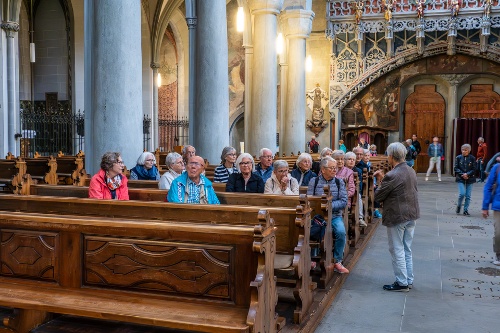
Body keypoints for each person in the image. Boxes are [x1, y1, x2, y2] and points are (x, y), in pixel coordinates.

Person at [374, 142, 419, 292]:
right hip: (411, 214)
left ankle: (401, 282)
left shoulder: (393, 174)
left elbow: (378, 196)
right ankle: (408, 279)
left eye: (388, 155)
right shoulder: (410, 170)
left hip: (397, 215)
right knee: (406, 248)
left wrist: (379, 182)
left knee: (397, 249)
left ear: (391, 156)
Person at [307, 157, 349, 274]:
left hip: (334, 216)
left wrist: (329, 206)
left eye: (335, 168)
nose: (335, 170)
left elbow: (343, 201)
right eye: (331, 168)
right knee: (311, 231)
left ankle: (337, 260)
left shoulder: (339, 182)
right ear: (323, 169)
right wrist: (320, 207)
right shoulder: (314, 181)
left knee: (341, 232)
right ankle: (312, 258)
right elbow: (309, 199)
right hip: (318, 217)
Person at [482, 161, 500, 266]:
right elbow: (488, 186)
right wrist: (485, 207)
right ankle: (498, 253)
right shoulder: (497, 168)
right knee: (498, 233)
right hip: (498, 205)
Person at [345, 150, 367, 227]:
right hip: (345, 192)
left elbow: (359, 187)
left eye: (353, 160)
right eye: (349, 159)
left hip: (354, 191)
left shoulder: (358, 171)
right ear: (345, 160)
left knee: (358, 196)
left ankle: (360, 218)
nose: (351, 161)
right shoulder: (342, 170)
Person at [454, 144, 476, 216]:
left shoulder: (472, 158)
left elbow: (474, 168)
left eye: (465, 150)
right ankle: (459, 205)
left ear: (469, 151)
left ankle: (465, 210)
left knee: (468, 195)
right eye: (463, 150)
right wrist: (462, 174)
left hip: (470, 178)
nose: (464, 151)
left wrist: (468, 174)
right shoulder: (458, 158)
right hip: (461, 178)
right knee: (462, 193)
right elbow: (456, 168)